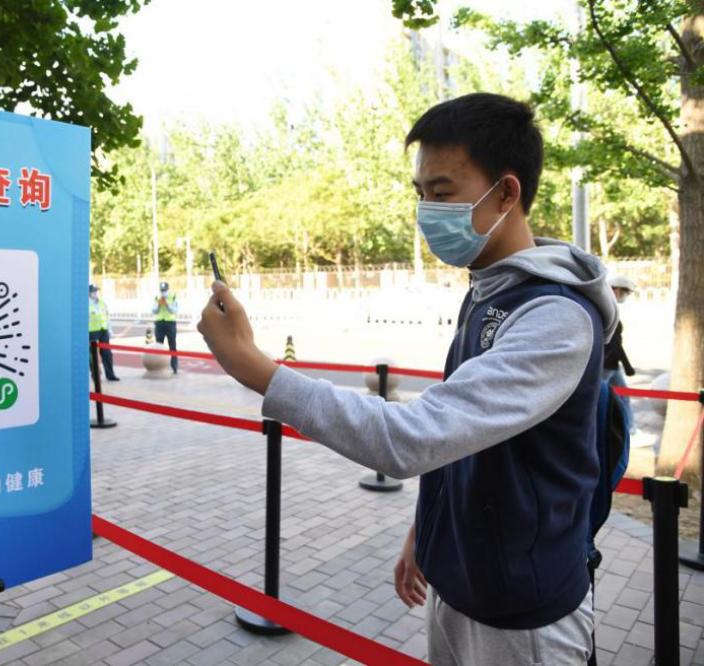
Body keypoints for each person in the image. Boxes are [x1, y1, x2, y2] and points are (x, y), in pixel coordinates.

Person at [197, 93, 617, 665]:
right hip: (456, 584)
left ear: (507, 193)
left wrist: (255, 367)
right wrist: (426, 530)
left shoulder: (556, 318)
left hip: (524, 618)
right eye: (420, 193)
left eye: (442, 193)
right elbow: (455, 434)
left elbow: (410, 437)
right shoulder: (487, 292)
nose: (426, 212)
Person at [604, 275, 636, 427]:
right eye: (624, 292)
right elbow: (615, 344)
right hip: (605, 365)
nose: (624, 296)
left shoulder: (609, 308)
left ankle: (628, 428)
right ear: (615, 290)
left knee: (623, 397)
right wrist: (628, 367)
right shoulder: (608, 310)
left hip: (611, 365)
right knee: (600, 400)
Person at [88, 284, 119, 382]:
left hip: (103, 331)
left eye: (96, 291)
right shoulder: (85, 304)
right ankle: (96, 376)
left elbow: (107, 317)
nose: (95, 293)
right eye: (93, 291)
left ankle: (110, 375)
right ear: (88, 293)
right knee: (92, 355)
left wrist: (110, 329)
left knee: (107, 353)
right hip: (91, 331)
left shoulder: (102, 303)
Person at [151, 281, 179, 374]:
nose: (163, 292)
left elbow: (175, 310)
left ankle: (174, 366)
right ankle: (159, 366)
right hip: (159, 323)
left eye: (164, 290)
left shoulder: (173, 297)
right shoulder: (157, 298)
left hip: (170, 323)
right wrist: (159, 305)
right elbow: (154, 311)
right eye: (162, 290)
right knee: (159, 345)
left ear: (168, 289)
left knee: (172, 345)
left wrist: (167, 304)